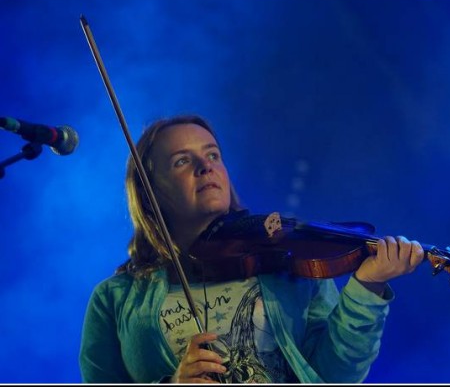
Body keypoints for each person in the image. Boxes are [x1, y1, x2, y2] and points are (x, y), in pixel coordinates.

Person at [79, 114, 424, 384]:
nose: (206, 167)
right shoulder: (114, 299)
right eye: (182, 161)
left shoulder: (284, 262)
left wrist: (367, 287)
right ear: (151, 190)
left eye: (213, 154)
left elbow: (335, 375)